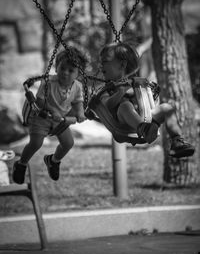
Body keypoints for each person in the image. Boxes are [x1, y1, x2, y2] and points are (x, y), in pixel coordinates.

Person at [99, 42, 195, 158]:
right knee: (125, 106)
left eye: (105, 61)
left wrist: (153, 95)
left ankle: (177, 141)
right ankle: (144, 129)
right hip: (123, 126)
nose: (100, 65)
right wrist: (120, 93)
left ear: (122, 65)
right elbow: (107, 105)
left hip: (147, 119)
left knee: (167, 108)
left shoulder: (137, 83)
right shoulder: (107, 89)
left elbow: (149, 104)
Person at [13, 47, 87, 184]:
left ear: (78, 74)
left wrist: (80, 113)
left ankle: (53, 161)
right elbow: (40, 102)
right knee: (36, 143)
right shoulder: (48, 82)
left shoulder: (77, 86)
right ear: (56, 67)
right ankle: (21, 164)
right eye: (62, 68)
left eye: (71, 71)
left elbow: (78, 102)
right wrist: (52, 111)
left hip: (60, 120)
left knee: (68, 143)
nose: (65, 73)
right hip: (41, 117)